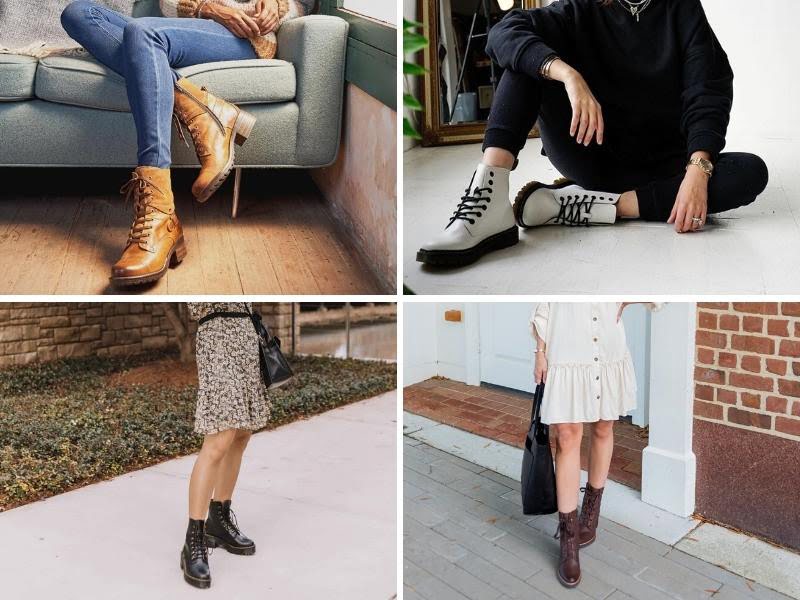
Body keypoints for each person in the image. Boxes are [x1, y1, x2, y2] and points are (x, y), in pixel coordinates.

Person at [416, 0, 769, 267]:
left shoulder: (682, 9)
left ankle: (593, 206)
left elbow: (706, 91)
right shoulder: (580, 7)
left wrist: (698, 168)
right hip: (590, 152)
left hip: (664, 168)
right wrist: (567, 74)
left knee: (750, 172)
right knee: (526, 60)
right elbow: (503, 33)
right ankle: (489, 200)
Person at [60, 0, 313, 285]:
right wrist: (208, 7)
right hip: (191, 23)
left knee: (143, 33)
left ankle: (158, 213)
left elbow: (304, 4)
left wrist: (277, 7)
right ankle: (204, 110)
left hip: (245, 35)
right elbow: (167, 3)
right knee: (77, 14)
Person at [531, 301, 662, 587]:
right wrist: (540, 351)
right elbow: (546, 297)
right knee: (566, 435)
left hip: (608, 342)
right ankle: (568, 540)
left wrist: (627, 296)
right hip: (566, 343)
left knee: (603, 427)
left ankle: (590, 515)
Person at [181, 302, 272, 589]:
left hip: (246, 332)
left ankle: (219, 520)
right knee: (220, 437)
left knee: (242, 432)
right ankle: (192, 540)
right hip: (217, 332)